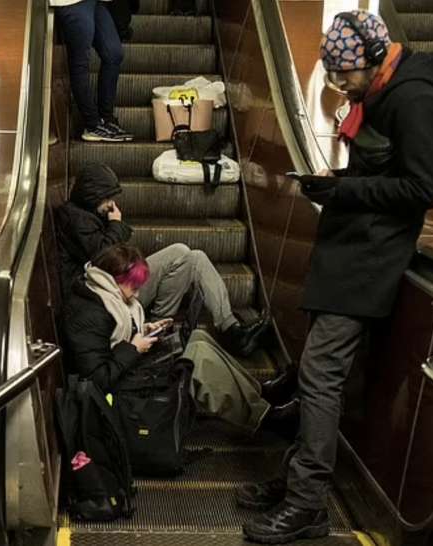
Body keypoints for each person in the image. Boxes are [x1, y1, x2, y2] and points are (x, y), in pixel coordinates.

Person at [240, 10, 433, 544]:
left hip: (370, 261)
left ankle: (307, 504)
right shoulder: (376, 94)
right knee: (315, 376)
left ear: (374, 60)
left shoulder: (417, 99)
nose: (337, 84)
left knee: (319, 380)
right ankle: (298, 480)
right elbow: (377, 173)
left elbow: (423, 189)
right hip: (346, 250)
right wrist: (334, 182)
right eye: (332, 72)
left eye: (344, 74)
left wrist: (345, 192)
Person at [62, 244, 295, 435]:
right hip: (121, 388)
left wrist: (144, 328)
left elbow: (113, 336)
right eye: (133, 286)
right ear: (114, 279)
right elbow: (96, 379)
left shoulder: (107, 296)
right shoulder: (90, 313)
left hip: (127, 364)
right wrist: (133, 348)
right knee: (197, 360)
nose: (138, 294)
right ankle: (264, 418)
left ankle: (259, 392)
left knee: (199, 337)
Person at [55, 162, 271, 358]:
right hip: (103, 295)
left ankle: (231, 329)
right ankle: (158, 329)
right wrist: (116, 224)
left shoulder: (85, 215)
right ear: (92, 196)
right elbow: (104, 258)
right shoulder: (75, 219)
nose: (112, 204)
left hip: (115, 287)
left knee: (194, 257)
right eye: (107, 198)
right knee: (180, 252)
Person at [50, 0, 133, 142]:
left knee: (114, 54)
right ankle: (92, 124)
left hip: (95, 3)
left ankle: (106, 118)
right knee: (80, 62)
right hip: (71, 3)